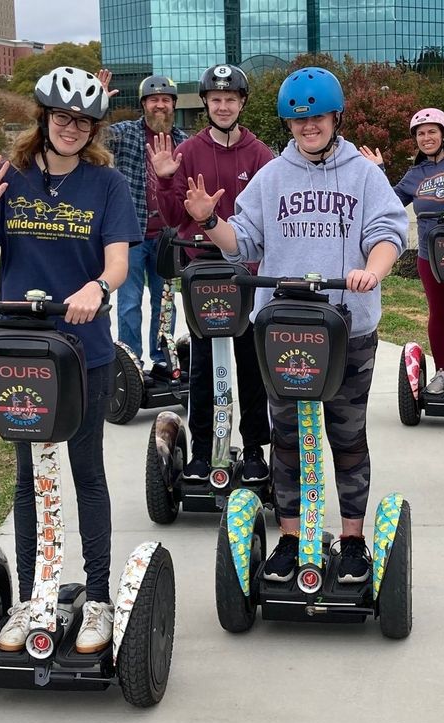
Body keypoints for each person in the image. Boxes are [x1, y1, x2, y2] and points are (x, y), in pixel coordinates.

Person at [181, 66, 407, 584]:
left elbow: (387, 230)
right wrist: (209, 222)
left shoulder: (364, 175)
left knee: (346, 437)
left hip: (347, 329)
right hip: (284, 330)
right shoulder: (273, 176)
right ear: (289, 125)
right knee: (287, 439)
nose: (308, 129)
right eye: (298, 122)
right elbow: (246, 242)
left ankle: (351, 538)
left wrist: (371, 271)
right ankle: (289, 535)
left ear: (335, 118)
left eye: (318, 119)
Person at [0, 66, 137, 655]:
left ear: (93, 129)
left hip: (84, 352)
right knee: (28, 479)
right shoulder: (10, 178)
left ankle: (102, 597)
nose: (72, 130)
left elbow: (116, 264)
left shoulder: (105, 185)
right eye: (63, 119)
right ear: (44, 120)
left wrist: (97, 290)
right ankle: (35, 594)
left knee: (85, 473)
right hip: (22, 350)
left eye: (83, 122)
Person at [150, 63, 275, 482]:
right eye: (216, 99)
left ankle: (255, 449)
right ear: (205, 103)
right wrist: (166, 180)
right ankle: (202, 452)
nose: (223, 106)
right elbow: (170, 216)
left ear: (242, 104)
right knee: (203, 364)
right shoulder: (188, 152)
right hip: (202, 271)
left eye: (231, 99)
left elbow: (272, 216)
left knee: (251, 362)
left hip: (246, 271)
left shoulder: (260, 155)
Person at [359, 108, 444, 396]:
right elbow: (390, 202)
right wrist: (378, 172)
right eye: (420, 133)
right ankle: (443, 371)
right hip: (431, 255)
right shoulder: (415, 174)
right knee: (438, 312)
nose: (426, 137)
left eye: (432, 131)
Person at [105, 74, 189, 367]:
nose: (160, 105)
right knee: (128, 304)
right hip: (131, 235)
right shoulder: (126, 134)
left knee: (165, 303)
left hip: (168, 238)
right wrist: (98, 103)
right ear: (144, 105)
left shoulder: (183, 142)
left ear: (174, 105)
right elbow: (94, 137)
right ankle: (131, 362)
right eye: (154, 100)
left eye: (166, 100)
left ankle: (163, 358)